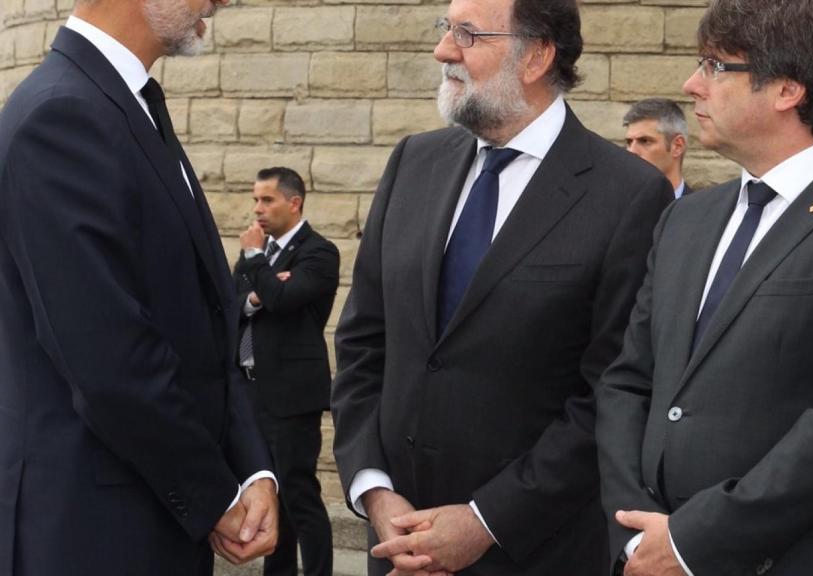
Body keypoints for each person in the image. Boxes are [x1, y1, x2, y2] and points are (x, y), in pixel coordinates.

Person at [595, 1, 813, 575]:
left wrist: (690, 542)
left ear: (787, 89)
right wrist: (635, 532)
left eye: (714, 65)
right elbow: (628, 380)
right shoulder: (686, 220)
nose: (691, 84)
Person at [331, 0, 672, 573]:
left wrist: (485, 520)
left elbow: (610, 394)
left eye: (467, 34)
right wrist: (374, 490)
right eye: (446, 29)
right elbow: (365, 343)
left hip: (534, 550)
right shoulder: (414, 161)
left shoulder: (628, 195)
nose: (444, 50)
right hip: (398, 546)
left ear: (537, 55)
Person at [0, 0, 280, 573]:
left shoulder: (124, 102)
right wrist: (217, 496)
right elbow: (109, 360)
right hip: (86, 534)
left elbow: (207, 321)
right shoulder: (61, 116)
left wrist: (253, 470)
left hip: (142, 521)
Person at [234, 167, 339, 576]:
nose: (257, 209)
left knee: (299, 493)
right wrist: (259, 291)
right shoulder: (256, 254)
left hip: (291, 396)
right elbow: (232, 302)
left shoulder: (318, 252)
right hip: (250, 392)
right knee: (269, 494)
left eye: (267, 200)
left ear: (294, 203)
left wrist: (257, 266)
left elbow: (284, 299)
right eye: (255, 199)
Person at [623, 98, 692, 198]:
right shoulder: (616, 208)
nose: (631, 151)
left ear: (677, 146)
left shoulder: (703, 211)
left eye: (644, 141)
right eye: (629, 142)